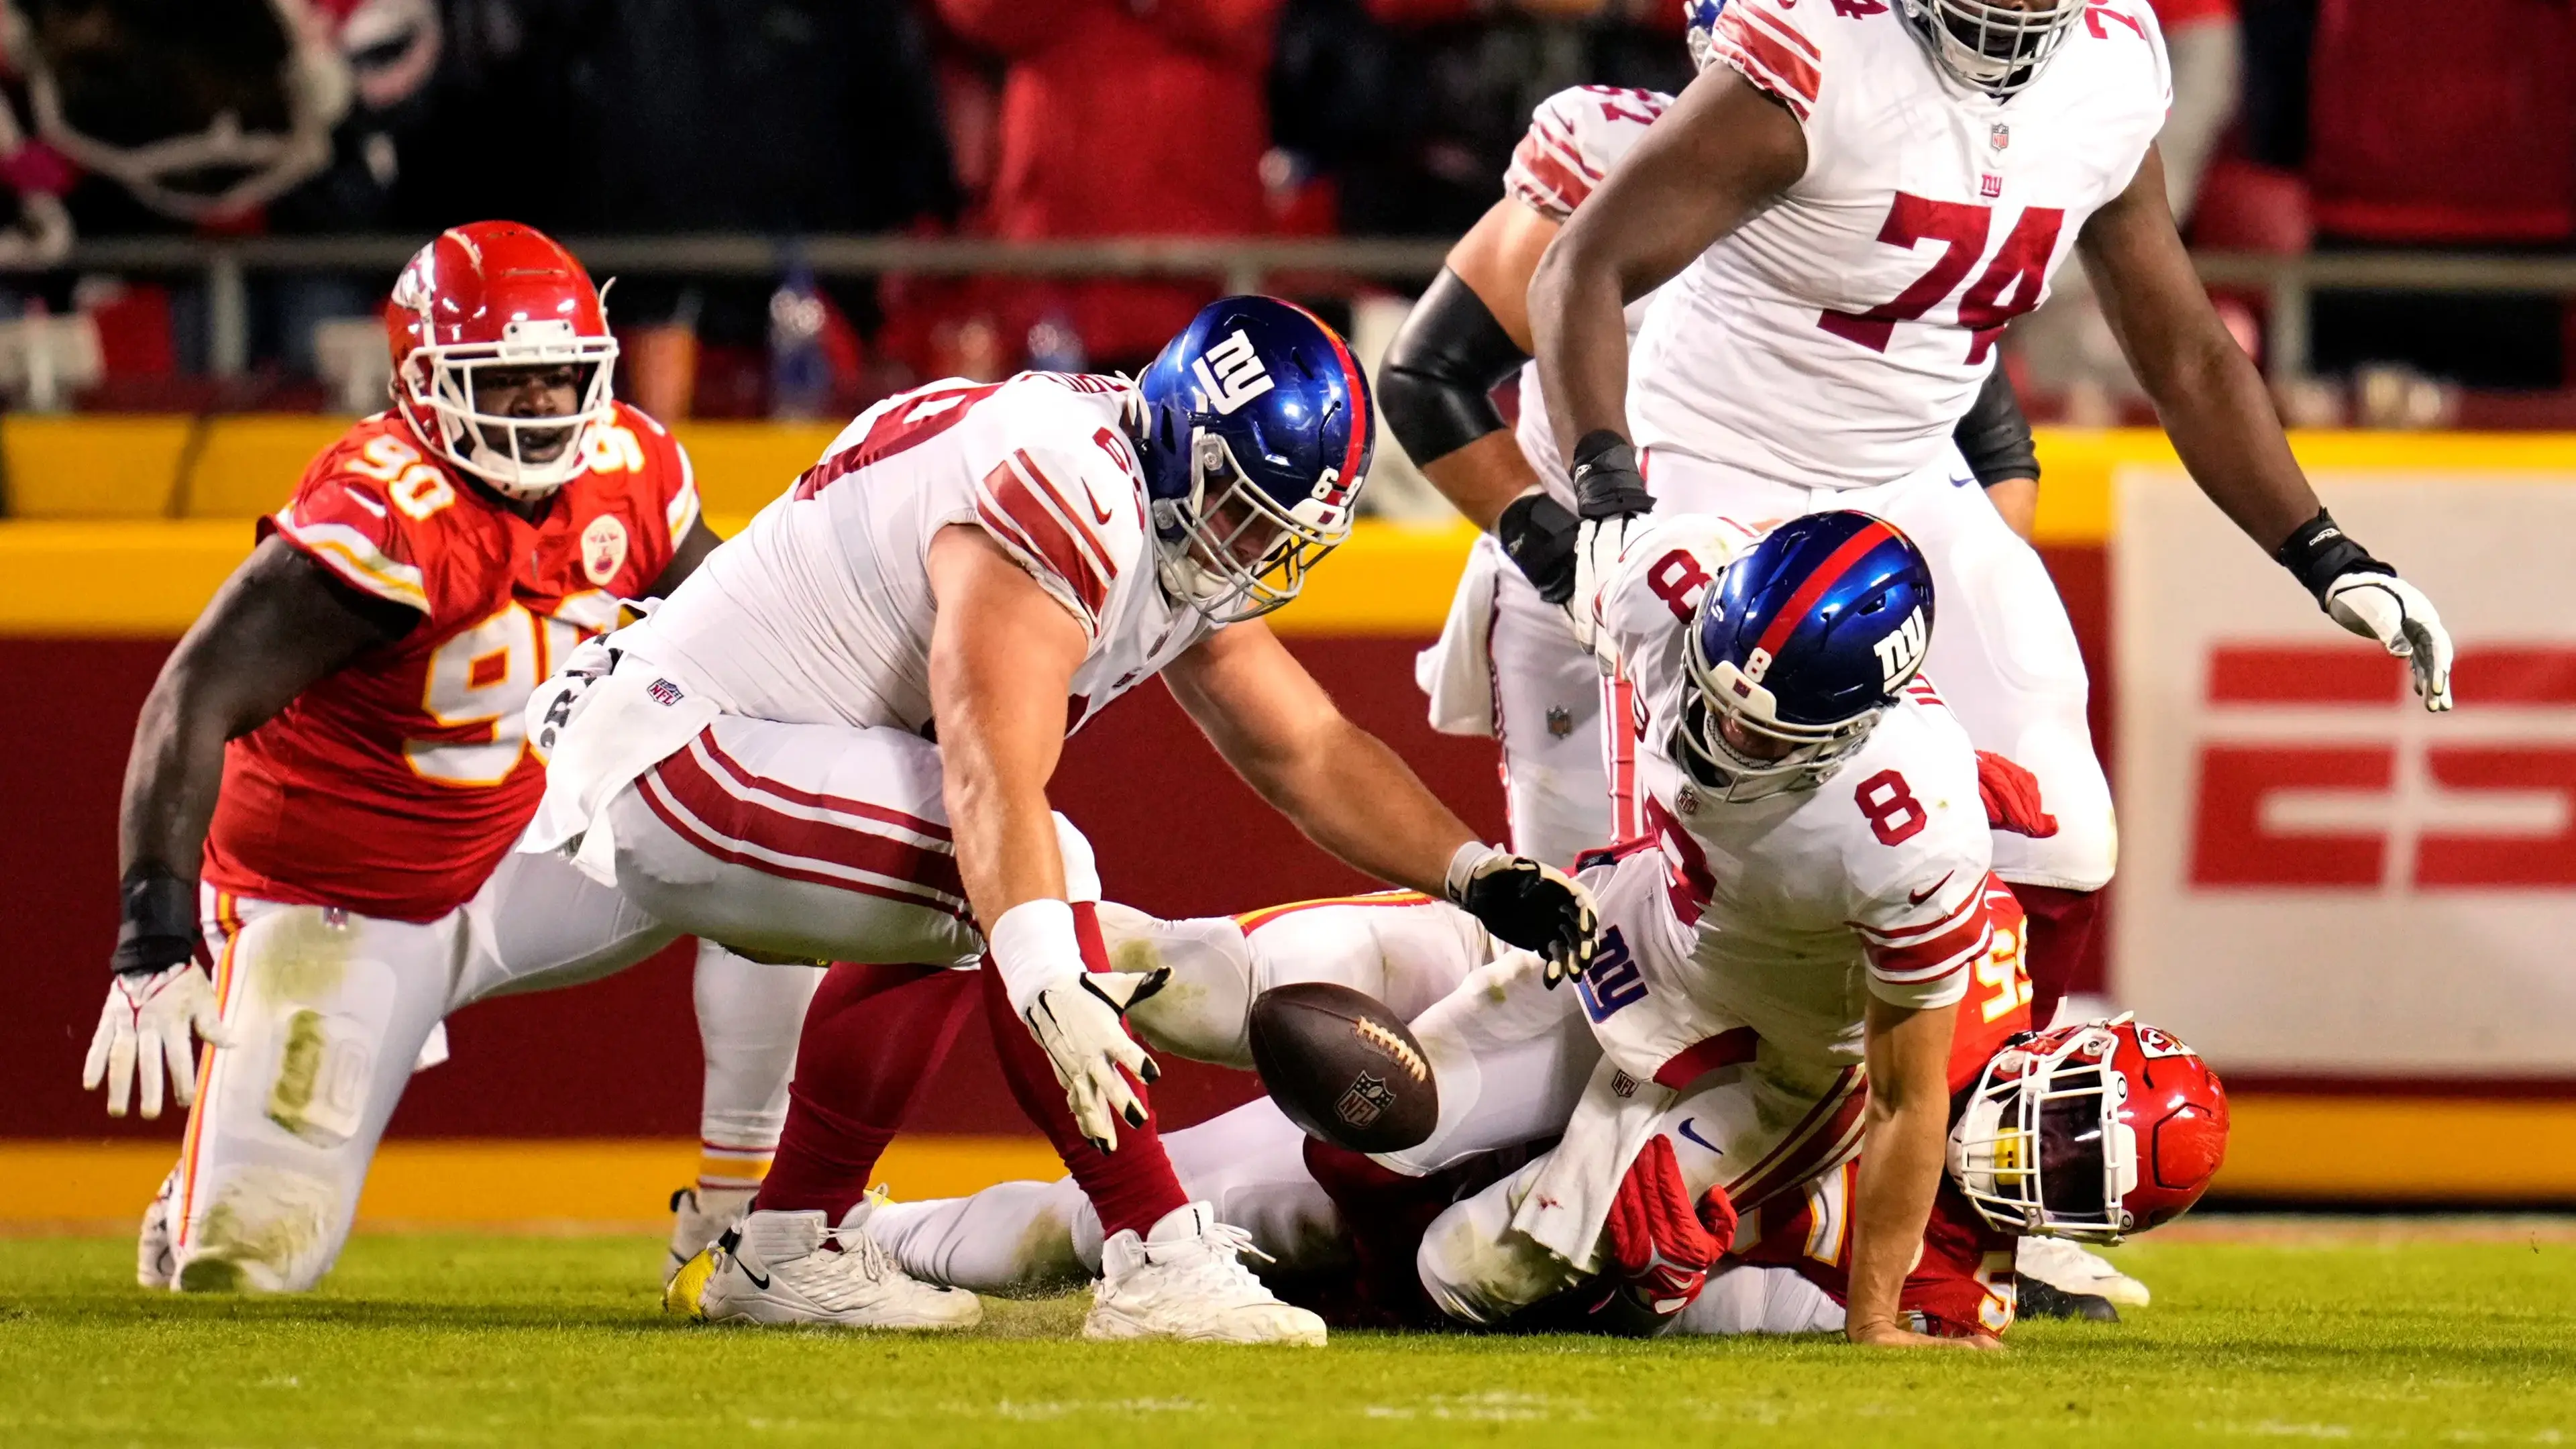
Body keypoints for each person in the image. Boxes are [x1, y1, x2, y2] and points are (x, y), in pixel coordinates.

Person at [531, 295, 1599, 1342]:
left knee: (975, 903)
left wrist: (1476, 876)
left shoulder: (1153, 489)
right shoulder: (1064, 486)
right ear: (1183, 444)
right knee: (1033, 873)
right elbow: (989, 777)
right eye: (1239, 514)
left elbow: (1304, 748)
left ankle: (788, 1245)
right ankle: (1156, 1252)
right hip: (685, 752)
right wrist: (1046, 973)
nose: (1250, 550)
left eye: (1278, 530)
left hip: (732, 752)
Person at [1509, 0, 2456, 1022]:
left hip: (1910, 474)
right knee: (1705, 867)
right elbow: (1583, 266)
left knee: (2066, 839)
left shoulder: (2111, 63)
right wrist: (1608, 484)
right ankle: (1693, 1142)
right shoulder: (1821, 51)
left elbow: (2183, 349)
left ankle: (1962, 1142)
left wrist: (2323, 550)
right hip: (1718, 460)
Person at [79, 221, 814, 1293]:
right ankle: (200, 1200)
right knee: (243, 1269)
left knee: (789, 837)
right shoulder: (380, 510)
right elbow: (191, 698)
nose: (543, 409)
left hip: (526, 853)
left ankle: (747, 1224)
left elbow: (733, 635)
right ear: (423, 382)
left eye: (562, 378)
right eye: (508, 384)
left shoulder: (630, 469)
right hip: (338, 900)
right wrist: (152, 929)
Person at [865, 890, 2228, 1342]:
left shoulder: (1944, 1289)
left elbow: (1723, 1291)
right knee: (1274, 984)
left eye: (2067, 1171)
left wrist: (1664, 1274)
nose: (2027, 1149)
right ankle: (1047, 932)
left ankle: (878, 1235)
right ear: (2059, 1049)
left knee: (1404, 1248)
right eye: (2065, 1119)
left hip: (1564, 1190)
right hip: (1582, 1005)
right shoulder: (1955, 946)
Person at [1383, 78, 2045, 889]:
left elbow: (2000, 456)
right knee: (1589, 902)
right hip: (1580, 600)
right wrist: (1569, 563)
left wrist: (1911, 638)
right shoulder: (1608, 149)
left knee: (1803, 909)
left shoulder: (1881, 178)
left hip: (1785, 635)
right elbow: (1428, 377)